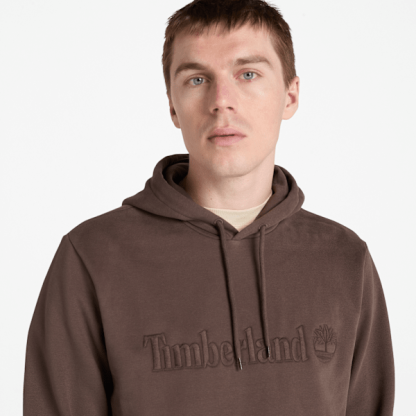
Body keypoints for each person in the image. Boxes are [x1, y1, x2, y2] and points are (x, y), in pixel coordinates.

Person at [23, 0, 395, 415]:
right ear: (172, 105)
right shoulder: (92, 256)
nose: (222, 101)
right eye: (197, 79)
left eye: (248, 74)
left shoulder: (344, 259)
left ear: (290, 96)